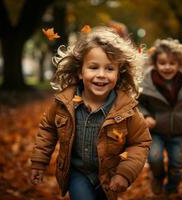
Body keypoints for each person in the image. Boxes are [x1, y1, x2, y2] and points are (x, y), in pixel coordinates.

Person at [30, 26, 151, 200]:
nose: (101, 75)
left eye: (109, 69)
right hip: (78, 173)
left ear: (119, 73)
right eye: (93, 67)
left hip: (109, 175)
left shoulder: (126, 110)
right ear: (80, 72)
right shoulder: (64, 104)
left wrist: (125, 173)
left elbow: (140, 142)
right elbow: (48, 130)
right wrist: (39, 162)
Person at [138, 38, 182, 196]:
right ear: (155, 63)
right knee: (154, 158)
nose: (167, 67)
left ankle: (172, 190)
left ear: (180, 64)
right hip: (155, 131)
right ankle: (158, 177)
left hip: (177, 133)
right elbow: (137, 103)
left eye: (172, 63)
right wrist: (146, 116)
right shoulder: (146, 83)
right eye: (162, 63)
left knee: (176, 164)